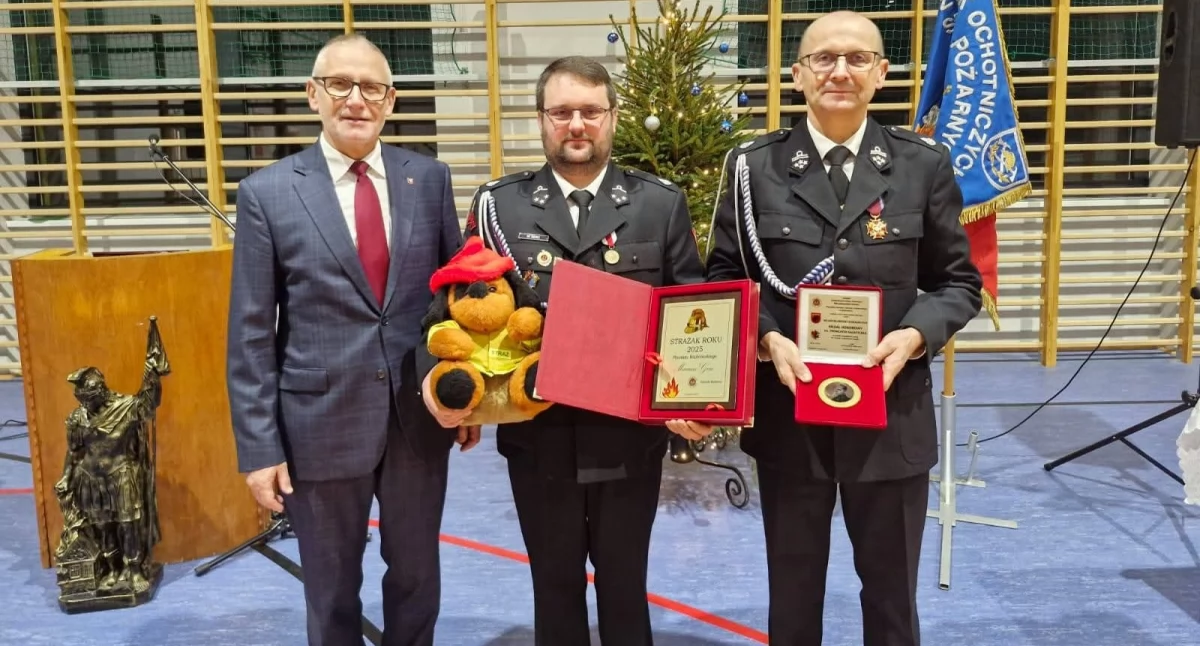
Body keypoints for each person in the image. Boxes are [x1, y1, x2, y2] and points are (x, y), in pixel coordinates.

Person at [703, 11, 983, 646]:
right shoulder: (753, 168)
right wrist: (763, 338)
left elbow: (959, 284)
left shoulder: (922, 166)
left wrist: (914, 335)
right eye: (824, 58)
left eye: (857, 59)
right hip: (789, 415)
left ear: (881, 74)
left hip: (891, 414)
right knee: (793, 593)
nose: (840, 71)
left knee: (890, 598)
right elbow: (725, 276)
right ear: (798, 73)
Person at [226, 33, 475, 646]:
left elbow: (454, 301)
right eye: (340, 84)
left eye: (371, 88)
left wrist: (469, 394)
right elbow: (251, 331)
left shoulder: (430, 178)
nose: (355, 99)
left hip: (418, 419)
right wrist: (259, 447)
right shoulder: (269, 193)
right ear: (314, 94)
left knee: (418, 577)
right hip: (318, 425)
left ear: (391, 100)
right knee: (332, 588)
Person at [460, 56, 709, 645]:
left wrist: (694, 400)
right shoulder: (500, 205)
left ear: (613, 118)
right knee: (554, 584)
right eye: (562, 111)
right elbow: (468, 305)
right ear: (542, 120)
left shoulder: (658, 203)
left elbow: (693, 310)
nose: (577, 124)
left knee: (625, 584)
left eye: (591, 111)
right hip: (538, 433)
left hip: (629, 434)